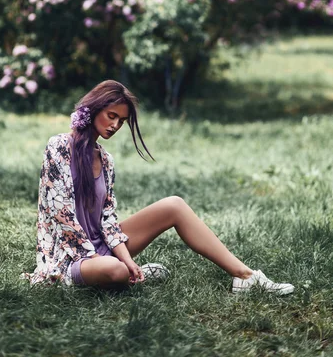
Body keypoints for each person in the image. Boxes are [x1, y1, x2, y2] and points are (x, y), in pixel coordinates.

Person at [25, 80, 294, 294]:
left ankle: (245, 276)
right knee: (115, 271)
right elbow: (63, 217)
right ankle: (126, 274)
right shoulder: (59, 146)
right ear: (94, 108)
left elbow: (108, 221)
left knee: (174, 205)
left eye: (121, 120)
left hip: (103, 248)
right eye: (112, 116)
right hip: (71, 257)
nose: (116, 125)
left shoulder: (105, 160)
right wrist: (112, 261)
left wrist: (126, 259)